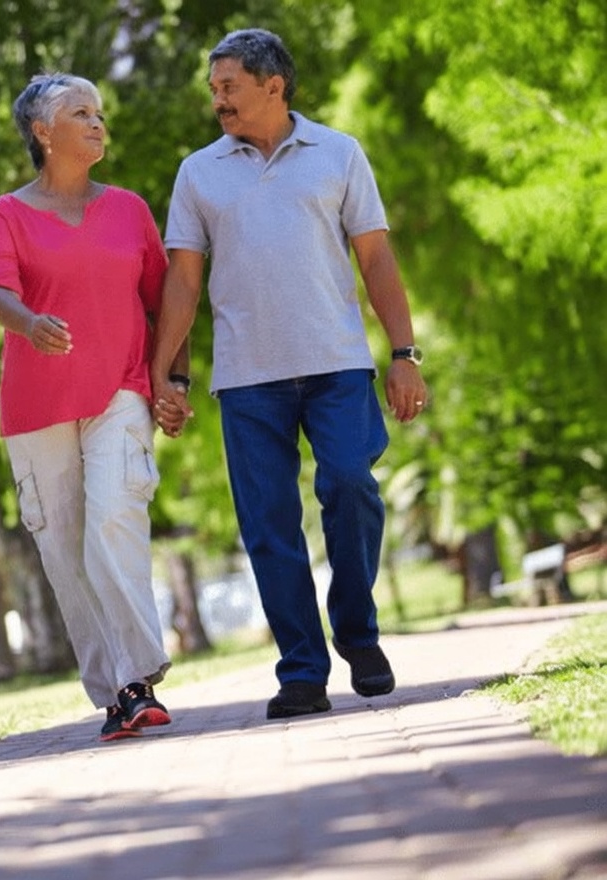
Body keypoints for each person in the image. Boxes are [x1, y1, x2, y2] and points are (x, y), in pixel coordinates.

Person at [149, 29, 429, 720]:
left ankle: (358, 636)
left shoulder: (338, 153)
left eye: (229, 87)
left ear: (274, 86)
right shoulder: (199, 172)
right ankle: (302, 669)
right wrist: (164, 375)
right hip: (247, 378)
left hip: (337, 363)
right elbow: (182, 281)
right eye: (214, 88)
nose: (217, 100)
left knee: (351, 485)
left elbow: (378, 261)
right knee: (269, 526)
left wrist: (404, 354)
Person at [0, 72, 186, 742]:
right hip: (37, 407)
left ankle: (138, 675)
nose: (97, 123)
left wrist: (172, 379)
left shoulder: (128, 209)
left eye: (99, 111)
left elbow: (163, 302)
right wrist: (29, 322)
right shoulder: (2, 215)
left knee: (113, 522)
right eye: (79, 113)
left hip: (119, 389)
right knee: (65, 551)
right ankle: (116, 691)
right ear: (43, 132)